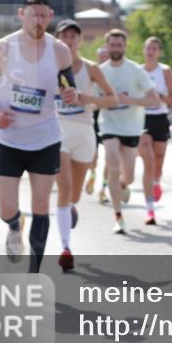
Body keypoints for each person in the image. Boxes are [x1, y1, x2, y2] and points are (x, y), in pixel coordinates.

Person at [0, 0, 78, 273]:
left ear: (50, 17)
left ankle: (34, 274)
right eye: (34, 15)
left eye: (44, 15)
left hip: (45, 137)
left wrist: (71, 94)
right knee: (6, 207)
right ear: (22, 14)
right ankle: (13, 224)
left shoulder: (59, 50)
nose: (39, 20)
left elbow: (68, 85)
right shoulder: (2, 48)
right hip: (8, 137)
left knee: (42, 204)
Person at [53, 20, 117, 270]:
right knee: (64, 187)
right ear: (57, 40)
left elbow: (112, 99)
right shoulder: (47, 67)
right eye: (64, 36)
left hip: (84, 130)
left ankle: (70, 207)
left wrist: (85, 98)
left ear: (80, 41)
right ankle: (65, 247)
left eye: (73, 36)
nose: (69, 40)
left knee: (74, 194)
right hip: (57, 129)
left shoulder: (90, 69)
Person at [97, 29, 161, 232]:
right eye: (112, 45)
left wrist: (129, 100)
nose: (115, 48)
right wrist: (104, 102)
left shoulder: (135, 70)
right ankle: (118, 217)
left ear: (125, 47)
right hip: (109, 125)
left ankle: (124, 185)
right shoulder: (100, 71)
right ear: (107, 46)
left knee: (129, 176)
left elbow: (154, 100)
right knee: (113, 165)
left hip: (132, 128)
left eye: (119, 45)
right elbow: (91, 101)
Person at [140, 37, 172, 203]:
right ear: (143, 50)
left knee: (158, 159)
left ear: (160, 52)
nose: (151, 52)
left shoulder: (165, 71)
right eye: (148, 48)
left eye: (154, 49)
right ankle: (149, 203)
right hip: (142, 120)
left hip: (160, 119)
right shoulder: (137, 71)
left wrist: (159, 97)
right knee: (148, 158)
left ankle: (156, 181)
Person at [87, 45, 110, 200]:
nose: (103, 59)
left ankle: (104, 188)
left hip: (111, 117)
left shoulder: (113, 74)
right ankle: (93, 174)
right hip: (94, 116)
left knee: (110, 156)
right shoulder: (92, 74)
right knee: (93, 153)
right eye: (100, 57)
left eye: (105, 56)